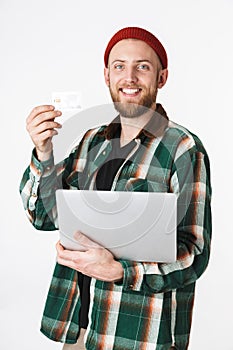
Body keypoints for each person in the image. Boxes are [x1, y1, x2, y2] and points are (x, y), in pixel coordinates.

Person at [19, 26, 212, 350]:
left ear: (161, 77)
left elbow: (194, 255)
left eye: (143, 66)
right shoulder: (90, 141)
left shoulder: (183, 149)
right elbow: (43, 217)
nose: (130, 76)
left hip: (136, 335)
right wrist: (44, 153)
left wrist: (120, 271)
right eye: (119, 66)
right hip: (79, 326)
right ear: (107, 76)